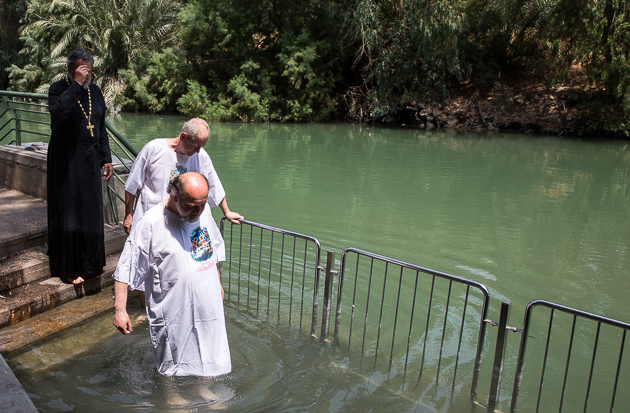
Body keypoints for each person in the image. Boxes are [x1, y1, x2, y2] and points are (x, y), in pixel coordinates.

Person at [113, 172, 231, 377]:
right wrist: (120, 310)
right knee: (171, 352)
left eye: (202, 204)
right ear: (174, 196)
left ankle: (206, 388)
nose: (198, 210)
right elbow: (127, 265)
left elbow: (212, 251)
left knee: (211, 346)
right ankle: (172, 397)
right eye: (191, 205)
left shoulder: (203, 213)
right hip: (172, 305)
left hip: (206, 301)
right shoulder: (151, 222)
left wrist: (218, 284)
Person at [47, 48, 113, 285]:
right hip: (66, 160)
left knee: (91, 213)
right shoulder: (58, 88)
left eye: (88, 70)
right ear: (70, 69)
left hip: (90, 159)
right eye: (81, 71)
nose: (86, 75)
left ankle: (91, 265)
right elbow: (59, 115)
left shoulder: (94, 90)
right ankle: (69, 268)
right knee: (70, 213)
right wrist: (75, 84)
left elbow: (100, 125)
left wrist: (106, 157)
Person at [123, 117, 242, 236]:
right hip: (150, 216)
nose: (198, 151)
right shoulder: (154, 149)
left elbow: (214, 184)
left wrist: (227, 212)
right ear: (183, 136)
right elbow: (132, 185)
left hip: (182, 221)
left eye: (201, 147)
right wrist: (129, 215)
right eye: (195, 146)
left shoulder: (201, 157)